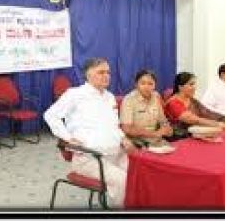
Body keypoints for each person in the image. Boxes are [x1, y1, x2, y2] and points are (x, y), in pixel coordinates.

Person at [43, 57, 135, 208]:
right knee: (123, 181)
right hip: (89, 159)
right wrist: (68, 137)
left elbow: (113, 126)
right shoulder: (75, 94)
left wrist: (123, 138)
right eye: (101, 72)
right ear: (88, 74)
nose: (106, 76)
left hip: (116, 154)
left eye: (108, 72)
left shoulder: (109, 97)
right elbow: (50, 115)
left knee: (141, 174)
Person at [164, 72, 225, 136]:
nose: (195, 87)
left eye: (194, 84)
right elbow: (195, 120)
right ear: (180, 87)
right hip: (178, 138)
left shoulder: (193, 101)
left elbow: (209, 114)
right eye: (191, 84)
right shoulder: (173, 103)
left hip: (194, 134)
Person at [119, 70, 173, 147]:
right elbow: (127, 129)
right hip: (136, 142)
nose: (147, 87)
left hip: (156, 141)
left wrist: (167, 128)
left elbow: (162, 120)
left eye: (150, 84)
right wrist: (155, 133)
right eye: (143, 83)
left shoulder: (156, 96)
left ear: (155, 85)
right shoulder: (129, 100)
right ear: (136, 85)